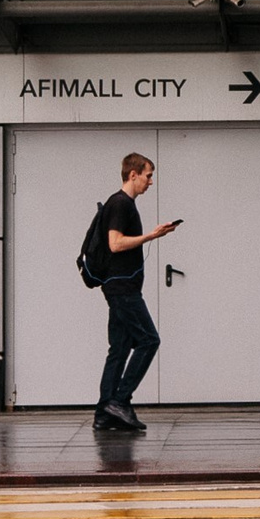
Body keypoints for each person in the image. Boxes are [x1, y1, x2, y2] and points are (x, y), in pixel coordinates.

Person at [92, 152, 178, 434]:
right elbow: (115, 244)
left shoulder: (122, 204)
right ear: (133, 174)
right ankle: (120, 400)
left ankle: (104, 413)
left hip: (118, 287)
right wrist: (151, 236)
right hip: (123, 289)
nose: (150, 182)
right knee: (149, 340)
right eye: (148, 175)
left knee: (118, 349)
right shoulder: (121, 204)